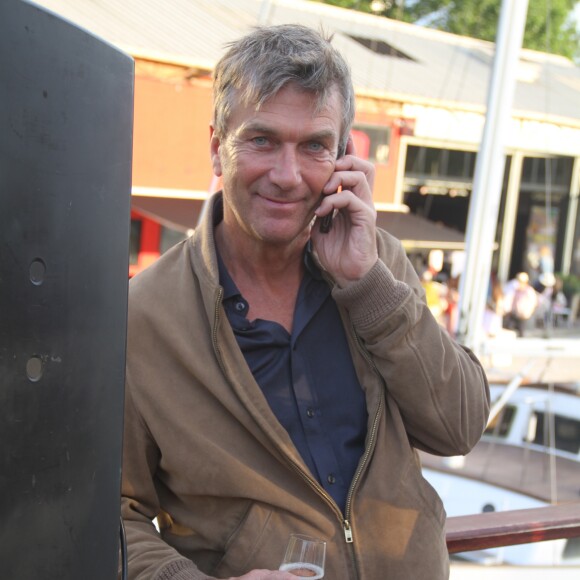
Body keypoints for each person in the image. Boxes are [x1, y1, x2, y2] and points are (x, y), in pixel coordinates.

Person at [121, 24, 490, 580]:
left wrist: (367, 285)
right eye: (261, 139)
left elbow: (459, 427)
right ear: (219, 148)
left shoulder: (377, 263)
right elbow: (110, 515)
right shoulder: (144, 315)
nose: (288, 175)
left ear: (343, 159)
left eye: (314, 146)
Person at [503, 272, 539, 336]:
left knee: (521, 332)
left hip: (523, 316)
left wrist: (527, 312)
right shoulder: (516, 289)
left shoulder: (529, 291)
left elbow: (534, 303)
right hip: (514, 313)